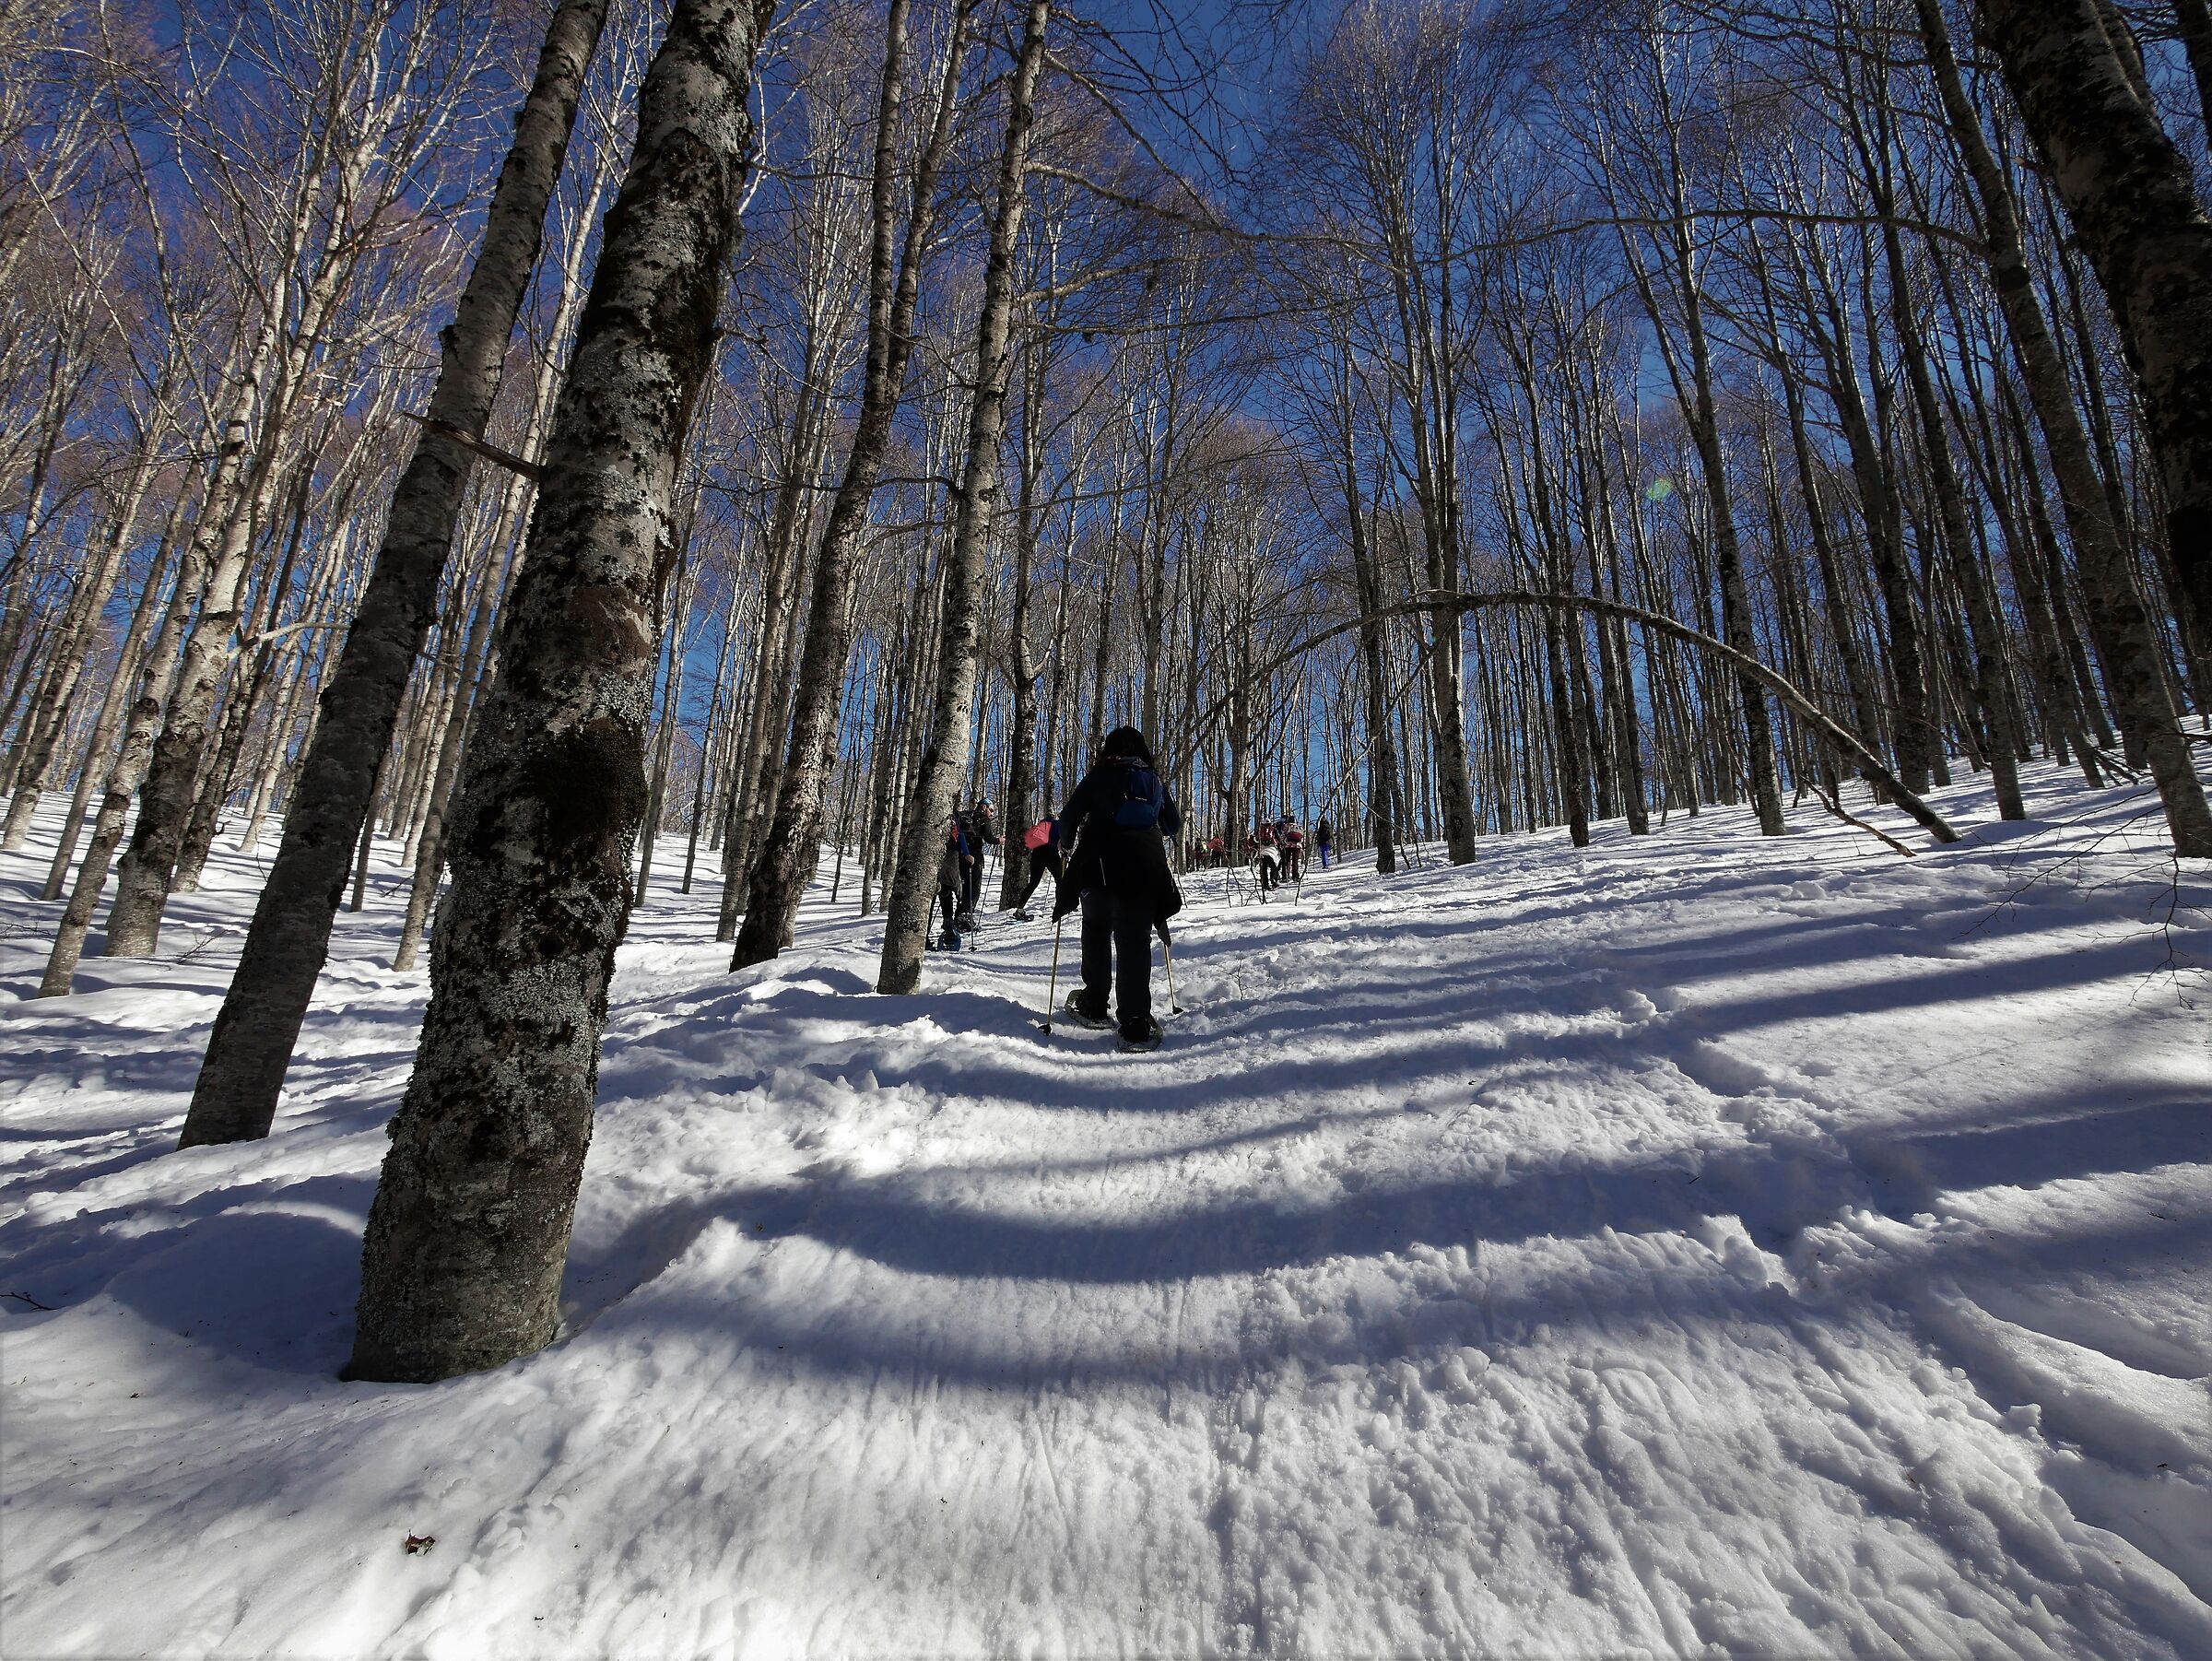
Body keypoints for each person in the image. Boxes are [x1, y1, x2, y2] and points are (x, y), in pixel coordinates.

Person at [1054, 725, 1182, 1052]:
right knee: (1134, 940)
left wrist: (1066, 846)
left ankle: (1095, 1003)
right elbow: (1174, 824)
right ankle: (1136, 1022)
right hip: (1143, 869)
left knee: (1096, 929)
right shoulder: (1152, 781)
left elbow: (1068, 817)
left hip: (1098, 867)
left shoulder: (1099, 776)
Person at [957, 798, 1000, 927]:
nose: (991, 814)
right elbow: (989, 838)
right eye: (991, 810)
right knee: (974, 888)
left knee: (965, 887)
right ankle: (965, 917)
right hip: (974, 856)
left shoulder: (965, 816)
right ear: (984, 807)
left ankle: (959, 916)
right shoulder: (982, 818)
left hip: (961, 855)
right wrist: (999, 840)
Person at [1014, 808, 1063, 920]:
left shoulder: (1042, 824)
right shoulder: (1060, 825)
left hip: (1037, 852)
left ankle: (1020, 909)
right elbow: (1062, 843)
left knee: (1033, 882)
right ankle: (1059, 908)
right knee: (1060, 880)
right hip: (1050, 852)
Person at [935, 814, 971, 950]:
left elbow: (960, 834)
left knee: (945, 888)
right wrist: (966, 853)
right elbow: (960, 835)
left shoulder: (953, 815)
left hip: (944, 851)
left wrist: (966, 853)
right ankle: (950, 922)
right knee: (951, 887)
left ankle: (949, 921)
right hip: (949, 853)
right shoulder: (951, 815)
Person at [1277, 811, 1305, 883]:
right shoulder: (1299, 827)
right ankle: (1295, 877)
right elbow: (1302, 837)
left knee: (1287, 861)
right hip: (1297, 846)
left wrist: (1281, 843)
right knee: (1295, 861)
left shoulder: (1286, 826)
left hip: (1288, 846)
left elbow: (1282, 836)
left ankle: (1285, 876)